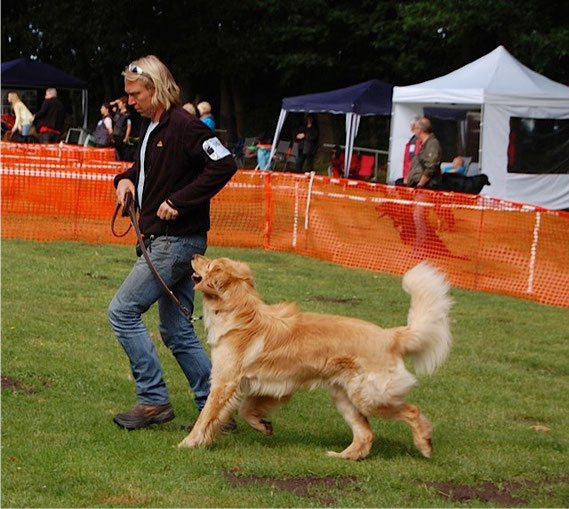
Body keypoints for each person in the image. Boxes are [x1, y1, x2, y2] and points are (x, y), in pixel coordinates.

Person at [109, 55, 237, 430]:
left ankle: (152, 400)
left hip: (174, 243)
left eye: (135, 94)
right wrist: (125, 179)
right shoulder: (152, 127)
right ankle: (218, 409)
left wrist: (179, 202)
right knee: (178, 331)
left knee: (122, 311)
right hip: (165, 240)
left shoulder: (185, 125)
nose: (130, 101)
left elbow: (225, 163)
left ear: (157, 87)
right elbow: (146, 170)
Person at [405, 117, 442, 189]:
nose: (414, 131)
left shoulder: (432, 144)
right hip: (417, 184)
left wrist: (420, 184)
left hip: (425, 187)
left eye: (415, 128)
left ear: (419, 130)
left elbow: (431, 166)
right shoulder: (424, 144)